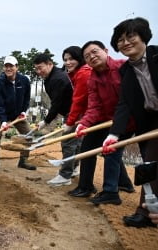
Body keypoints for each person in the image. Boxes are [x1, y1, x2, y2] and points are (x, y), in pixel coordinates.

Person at [103, 17, 158, 227]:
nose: (125, 42)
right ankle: (146, 212)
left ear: (143, 36)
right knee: (149, 166)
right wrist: (113, 134)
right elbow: (124, 105)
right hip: (151, 122)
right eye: (120, 40)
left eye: (130, 36)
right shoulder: (125, 71)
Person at [68, 40, 135, 205]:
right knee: (105, 150)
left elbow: (131, 98)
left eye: (95, 52)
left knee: (111, 151)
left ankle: (111, 192)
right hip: (108, 120)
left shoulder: (123, 67)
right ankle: (122, 185)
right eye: (87, 56)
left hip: (130, 120)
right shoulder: (92, 79)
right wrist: (84, 123)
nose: (92, 56)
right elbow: (94, 107)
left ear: (105, 50)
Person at [33, 53, 75, 186]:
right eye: (36, 69)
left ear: (50, 64)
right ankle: (74, 169)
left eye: (41, 68)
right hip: (72, 112)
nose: (39, 71)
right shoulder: (52, 76)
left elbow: (56, 104)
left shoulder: (57, 78)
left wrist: (45, 121)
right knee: (76, 143)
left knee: (67, 143)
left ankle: (65, 175)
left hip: (74, 113)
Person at [0, 55, 34, 172]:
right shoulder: (0, 83)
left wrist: (24, 111)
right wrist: (4, 120)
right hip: (1, 114)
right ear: (4, 68)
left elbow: (26, 98)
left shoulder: (24, 80)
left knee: (28, 135)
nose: (8, 69)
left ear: (17, 67)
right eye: (6, 66)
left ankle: (23, 160)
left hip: (18, 114)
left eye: (11, 66)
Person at [61, 46, 93, 178]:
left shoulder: (83, 73)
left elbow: (78, 101)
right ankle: (124, 183)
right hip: (87, 114)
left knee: (68, 141)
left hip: (92, 113)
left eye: (71, 59)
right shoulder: (76, 73)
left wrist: (70, 123)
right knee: (80, 142)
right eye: (65, 59)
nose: (68, 62)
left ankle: (65, 175)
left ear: (79, 58)